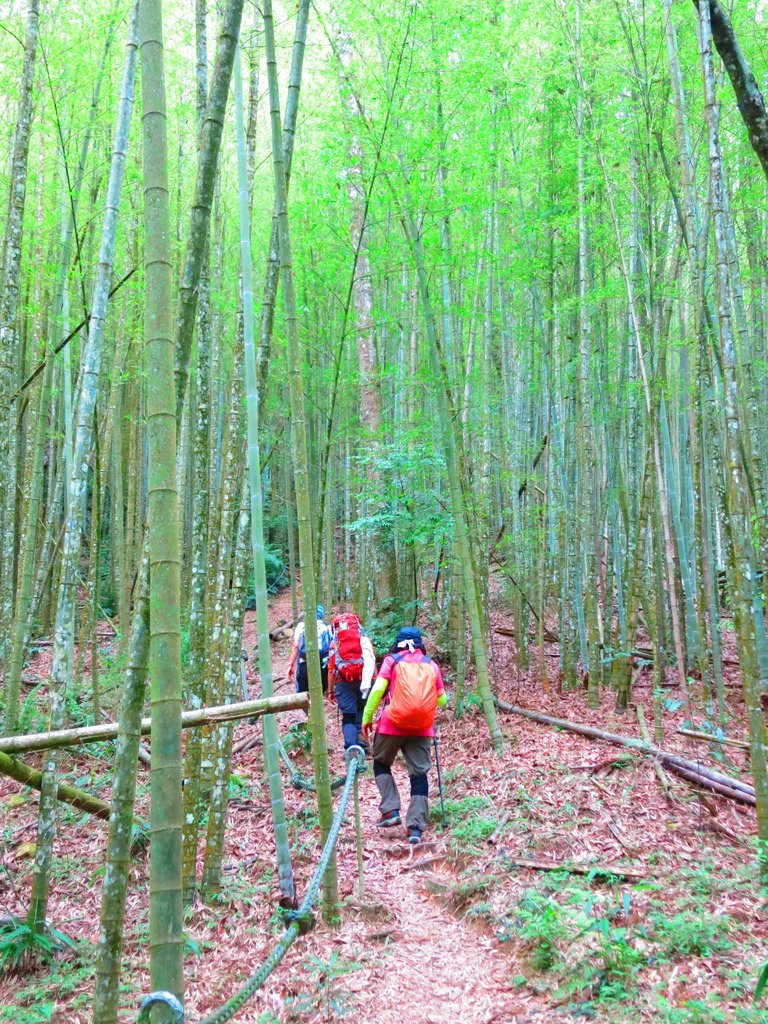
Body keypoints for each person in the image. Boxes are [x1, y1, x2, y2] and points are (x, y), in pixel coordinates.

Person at [361, 626, 447, 845]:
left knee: (380, 762)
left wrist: (366, 718)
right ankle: (416, 827)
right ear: (420, 644)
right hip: (421, 728)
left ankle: (390, 810)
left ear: (398, 642)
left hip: (392, 724)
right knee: (419, 774)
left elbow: (378, 690)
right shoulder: (432, 665)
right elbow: (443, 700)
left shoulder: (392, 661)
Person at [327, 610, 376, 752]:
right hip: (365, 681)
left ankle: (351, 748)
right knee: (361, 710)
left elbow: (331, 670)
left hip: (344, 681)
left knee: (348, 716)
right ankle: (362, 741)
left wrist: (330, 690)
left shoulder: (334, 644)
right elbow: (371, 661)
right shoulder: (364, 639)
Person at [287, 606, 332, 697]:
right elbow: (332, 647)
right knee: (320, 692)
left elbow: (296, 646)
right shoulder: (327, 626)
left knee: (302, 693)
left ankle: (309, 711)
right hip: (324, 663)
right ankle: (317, 710)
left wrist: (290, 665)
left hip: (305, 663)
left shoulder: (302, 626)